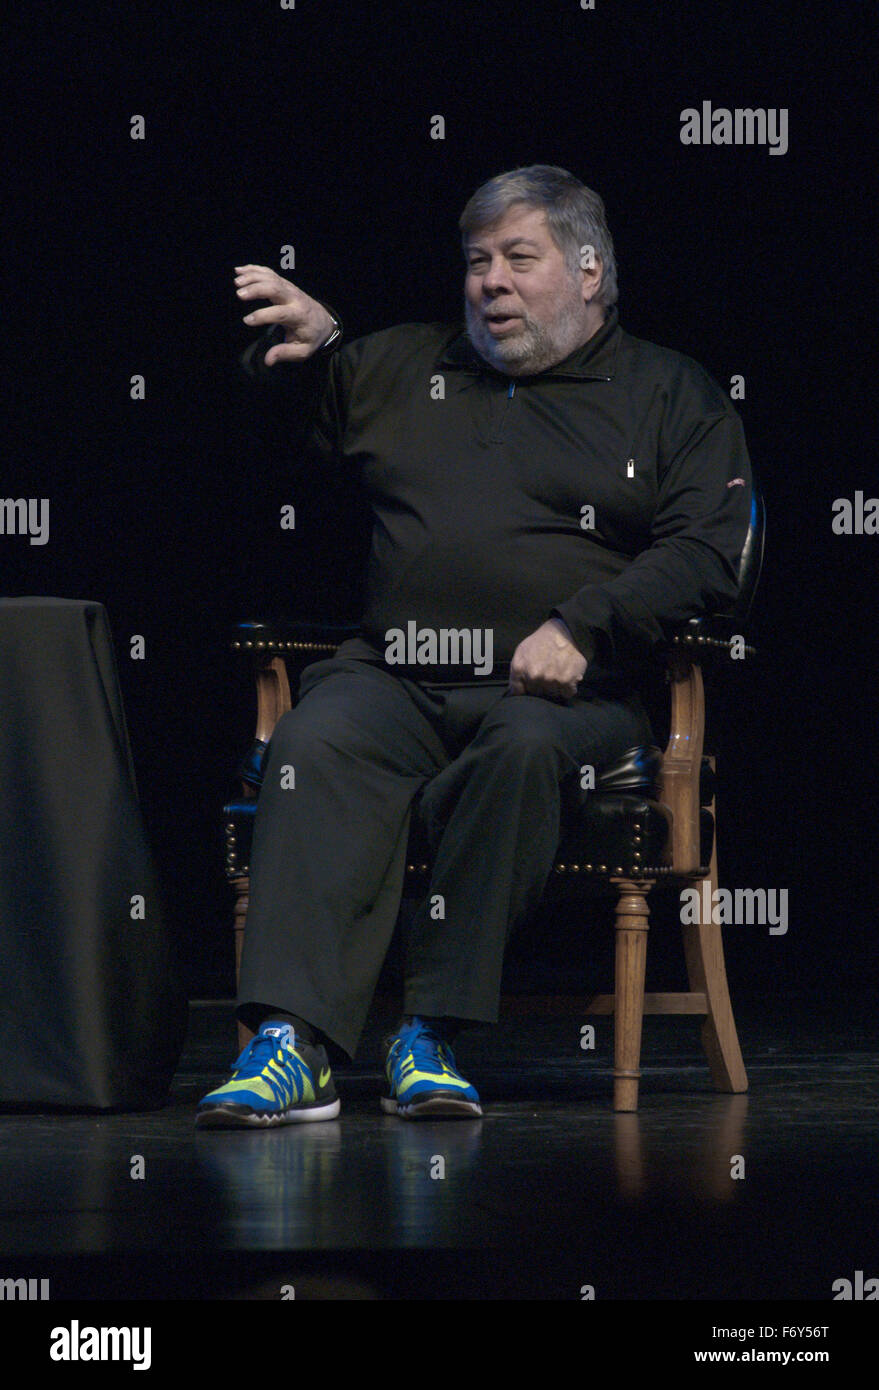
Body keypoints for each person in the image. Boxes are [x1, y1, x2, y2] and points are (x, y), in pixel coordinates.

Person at [196, 164, 752, 1128]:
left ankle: (430, 1033)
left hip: (561, 697)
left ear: (588, 271)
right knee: (313, 743)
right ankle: (294, 1046)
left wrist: (586, 624)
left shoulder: (668, 393)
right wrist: (300, 349)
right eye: (475, 261)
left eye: (516, 259)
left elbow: (715, 550)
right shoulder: (406, 366)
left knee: (524, 751)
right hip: (396, 675)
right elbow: (273, 425)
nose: (488, 280)